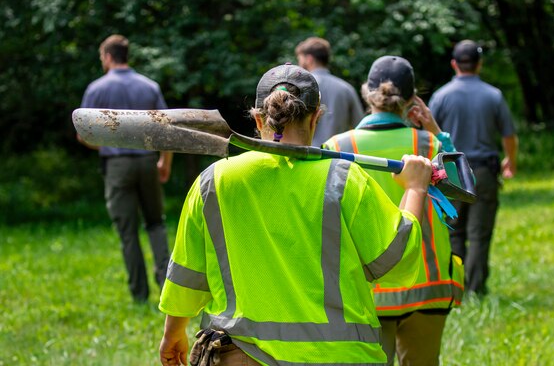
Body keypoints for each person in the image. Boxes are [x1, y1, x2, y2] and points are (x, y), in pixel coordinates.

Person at [158, 63, 434, 366]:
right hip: (339, 357)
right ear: (316, 117)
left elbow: (188, 274)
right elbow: (397, 263)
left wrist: (173, 332)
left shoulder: (214, 181)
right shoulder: (343, 180)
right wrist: (415, 188)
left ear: (257, 117)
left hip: (240, 355)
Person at [323, 56, 464, 366]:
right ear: (413, 99)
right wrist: (435, 129)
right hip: (428, 284)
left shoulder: (336, 147)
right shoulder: (427, 144)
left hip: (367, 289)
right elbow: (463, 189)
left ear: (366, 93)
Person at [77, 34, 173, 303]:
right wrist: (164, 162)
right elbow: (167, 129)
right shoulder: (149, 86)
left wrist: (108, 147)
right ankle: (167, 289)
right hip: (146, 161)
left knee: (128, 231)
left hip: (117, 165)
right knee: (156, 224)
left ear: (108, 56)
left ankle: (139, 295)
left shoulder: (96, 89)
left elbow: (84, 134)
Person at [429, 39, 518, 296]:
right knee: (480, 234)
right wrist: (510, 161)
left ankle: (455, 286)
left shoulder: (441, 96)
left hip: (451, 173)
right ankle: (476, 289)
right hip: (484, 172)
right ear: (479, 65)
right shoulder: (494, 95)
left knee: (454, 232)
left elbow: (430, 136)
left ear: (454, 64)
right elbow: (509, 135)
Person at [295, 37, 364, 146]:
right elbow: (360, 128)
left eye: (300, 59)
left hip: (306, 156)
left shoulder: (298, 86)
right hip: (339, 157)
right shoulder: (346, 88)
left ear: (309, 59)